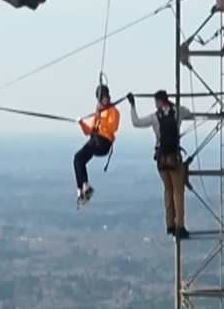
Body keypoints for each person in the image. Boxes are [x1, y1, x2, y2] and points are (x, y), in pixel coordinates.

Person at [126, 90, 194, 240]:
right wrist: (175, 106)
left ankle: (170, 224)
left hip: (162, 159)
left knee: (168, 190)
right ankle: (180, 226)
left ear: (158, 102)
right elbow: (189, 113)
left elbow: (136, 122)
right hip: (175, 158)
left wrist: (132, 105)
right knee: (178, 191)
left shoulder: (155, 117)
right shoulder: (178, 112)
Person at [73, 85, 120, 208]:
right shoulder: (98, 112)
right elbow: (89, 131)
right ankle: (82, 189)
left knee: (88, 148)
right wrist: (81, 123)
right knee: (78, 158)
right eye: (101, 98)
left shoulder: (113, 111)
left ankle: (85, 188)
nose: (103, 100)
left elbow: (113, 127)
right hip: (95, 141)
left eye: (104, 97)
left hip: (103, 143)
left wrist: (101, 118)